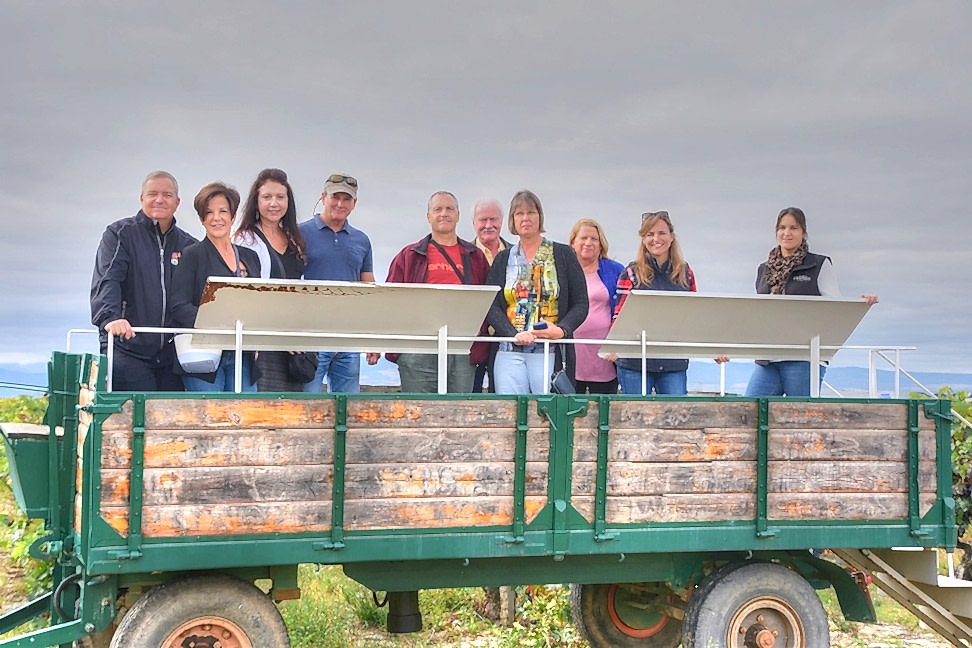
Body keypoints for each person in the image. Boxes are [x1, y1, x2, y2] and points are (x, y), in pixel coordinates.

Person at [744, 207, 879, 397]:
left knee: (800, 419)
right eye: (782, 227)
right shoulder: (764, 269)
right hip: (769, 357)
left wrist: (858, 304)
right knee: (749, 411)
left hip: (805, 357)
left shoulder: (819, 264)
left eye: (794, 227)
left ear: (803, 232)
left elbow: (834, 307)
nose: (787, 233)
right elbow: (759, 312)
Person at [90, 170, 198, 391]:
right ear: (142, 199)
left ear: (177, 202)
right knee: (134, 419)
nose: (159, 199)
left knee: (169, 422)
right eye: (152, 194)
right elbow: (108, 278)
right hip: (128, 347)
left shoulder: (189, 245)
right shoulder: (120, 233)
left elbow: (196, 295)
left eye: (167, 195)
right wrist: (111, 318)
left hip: (172, 353)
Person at [379, 191, 490, 392]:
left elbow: (490, 300)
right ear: (428, 216)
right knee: (419, 414)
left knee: (460, 414)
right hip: (418, 348)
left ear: (458, 215)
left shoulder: (475, 256)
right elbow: (389, 300)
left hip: (462, 348)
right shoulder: (409, 256)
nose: (444, 214)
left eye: (450, 209)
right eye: (437, 209)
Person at [485, 190, 588, 394]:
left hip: (549, 351)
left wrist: (562, 330)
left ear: (540, 216)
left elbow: (581, 303)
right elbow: (491, 305)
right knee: (510, 416)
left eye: (531, 212)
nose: (525, 218)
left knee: (550, 413)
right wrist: (513, 334)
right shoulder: (503, 259)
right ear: (512, 220)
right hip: (510, 352)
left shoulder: (563, 254)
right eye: (519, 213)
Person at [170, 182, 261, 392]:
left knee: (245, 417)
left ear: (233, 215)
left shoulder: (251, 257)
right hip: (202, 353)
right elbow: (178, 306)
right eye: (208, 212)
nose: (216, 218)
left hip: (242, 353)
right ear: (202, 219)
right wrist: (215, 321)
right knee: (211, 419)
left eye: (223, 211)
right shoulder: (192, 254)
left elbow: (258, 303)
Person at [233, 168, 316, 392]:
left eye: (280, 197)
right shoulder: (245, 239)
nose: (274, 203)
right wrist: (266, 337)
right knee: (264, 409)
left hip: (292, 338)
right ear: (256, 201)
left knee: (293, 413)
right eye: (267, 197)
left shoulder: (294, 239)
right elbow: (245, 293)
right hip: (262, 340)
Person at [299, 174, 375, 393]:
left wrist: (372, 337)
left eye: (347, 199)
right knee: (307, 406)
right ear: (323, 197)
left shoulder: (362, 240)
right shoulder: (300, 232)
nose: (340, 203)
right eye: (335, 197)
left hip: (348, 337)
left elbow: (369, 290)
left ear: (354, 204)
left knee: (348, 410)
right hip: (310, 336)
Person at [613, 211, 697, 395]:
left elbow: (693, 315)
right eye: (649, 234)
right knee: (634, 419)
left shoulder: (686, 273)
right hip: (635, 361)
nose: (656, 239)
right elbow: (619, 316)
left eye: (661, 233)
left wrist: (714, 348)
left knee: (676, 419)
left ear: (672, 237)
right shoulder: (630, 273)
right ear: (643, 239)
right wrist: (613, 347)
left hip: (673, 361)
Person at [569, 219, 625, 394]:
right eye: (583, 238)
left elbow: (625, 308)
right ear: (573, 242)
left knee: (603, 413)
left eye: (594, 239)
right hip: (571, 353)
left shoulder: (615, 270)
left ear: (601, 244)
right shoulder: (563, 270)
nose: (588, 243)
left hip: (605, 355)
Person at [471, 198, 511, 392]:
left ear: (501, 221)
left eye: (493, 219)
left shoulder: (516, 254)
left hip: (507, 338)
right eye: (482, 220)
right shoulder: (465, 255)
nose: (488, 225)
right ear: (473, 223)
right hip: (475, 340)